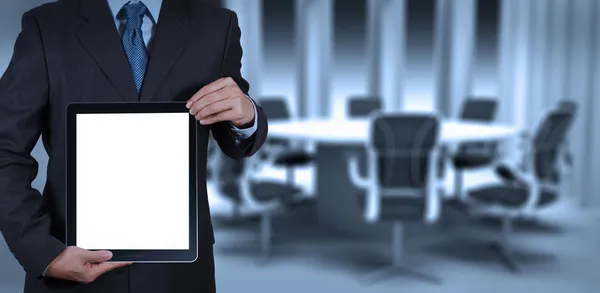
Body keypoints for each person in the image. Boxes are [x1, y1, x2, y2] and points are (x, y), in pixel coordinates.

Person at [0, 0, 268, 292]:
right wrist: (43, 253)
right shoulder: (46, 26)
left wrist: (248, 117)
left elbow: (233, 135)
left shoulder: (217, 26)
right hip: (69, 261)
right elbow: (5, 148)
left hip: (179, 273)